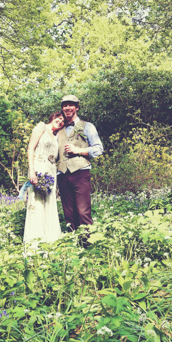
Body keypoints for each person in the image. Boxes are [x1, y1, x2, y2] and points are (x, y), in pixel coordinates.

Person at [56, 95, 103, 236]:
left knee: (83, 211)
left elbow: (99, 148)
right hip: (62, 174)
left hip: (80, 173)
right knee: (68, 212)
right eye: (65, 105)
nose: (67, 108)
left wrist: (80, 151)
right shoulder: (58, 128)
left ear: (77, 107)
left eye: (71, 105)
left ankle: (88, 244)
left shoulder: (87, 126)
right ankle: (72, 243)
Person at [23, 111, 65, 244]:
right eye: (59, 118)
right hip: (39, 167)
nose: (60, 121)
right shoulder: (41, 127)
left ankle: (50, 238)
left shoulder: (56, 135)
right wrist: (32, 171)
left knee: (49, 202)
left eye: (63, 121)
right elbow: (30, 148)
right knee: (37, 202)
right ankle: (35, 239)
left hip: (51, 171)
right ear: (53, 117)